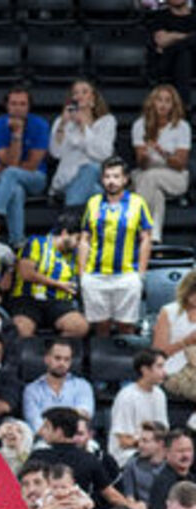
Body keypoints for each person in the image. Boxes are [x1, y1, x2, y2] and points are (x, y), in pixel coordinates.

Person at [78, 157, 153, 336]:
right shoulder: (93, 202)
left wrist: (140, 274)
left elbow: (146, 239)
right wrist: (82, 274)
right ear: (102, 179)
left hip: (127, 274)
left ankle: (127, 364)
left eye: (116, 176)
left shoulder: (137, 202)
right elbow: (84, 239)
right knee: (100, 327)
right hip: (95, 275)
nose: (111, 181)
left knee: (126, 327)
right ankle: (102, 364)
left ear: (125, 179)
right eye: (107, 176)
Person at [0, 86, 49, 245]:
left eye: (22, 104)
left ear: (29, 106)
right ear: (7, 106)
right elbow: (11, 163)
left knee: (11, 173)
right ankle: (17, 240)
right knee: (16, 190)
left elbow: (33, 165)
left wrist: (1, 166)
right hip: (6, 179)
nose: (18, 108)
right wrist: (17, 135)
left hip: (35, 178)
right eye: (14, 104)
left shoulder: (40, 125)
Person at [131, 83, 190, 241]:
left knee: (150, 177)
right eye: (159, 100)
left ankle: (134, 225)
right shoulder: (139, 125)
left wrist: (162, 153)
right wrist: (146, 156)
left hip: (174, 176)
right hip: (145, 173)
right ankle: (153, 239)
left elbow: (180, 164)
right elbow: (141, 164)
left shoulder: (182, 127)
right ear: (152, 102)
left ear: (173, 105)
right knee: (156, 194)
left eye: (167, 101)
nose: (163, 105)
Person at [49, 79, 116, 210]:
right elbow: (56, 153)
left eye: (84, 92)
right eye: (75, 93)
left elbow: (104, 154)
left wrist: (84, 126)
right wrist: (63, 124)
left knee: (92, 168)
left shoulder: (107, 122)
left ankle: (67, 221)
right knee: (97, 194)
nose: (79, 96)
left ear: (93, 98)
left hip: (94, 178)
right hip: (66, 180)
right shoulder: (62, 121)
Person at [22, 338, 94, 436]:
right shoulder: (31, 390)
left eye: (66, 359)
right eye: (57, 358)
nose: (62, 363)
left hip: (76, 439)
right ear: (47, 359)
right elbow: (36, 424)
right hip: (43, 441)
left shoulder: (83, 386)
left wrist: (51, 416)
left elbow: (85, 415)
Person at [110, 349, 168, 464]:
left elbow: (163, 431)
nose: (164, 372)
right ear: (145, 370)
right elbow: (123, 441)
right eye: (159, 366)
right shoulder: (126, 396)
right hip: (128, 455)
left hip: (154, 450)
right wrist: (148, 445)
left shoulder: (160, 394)